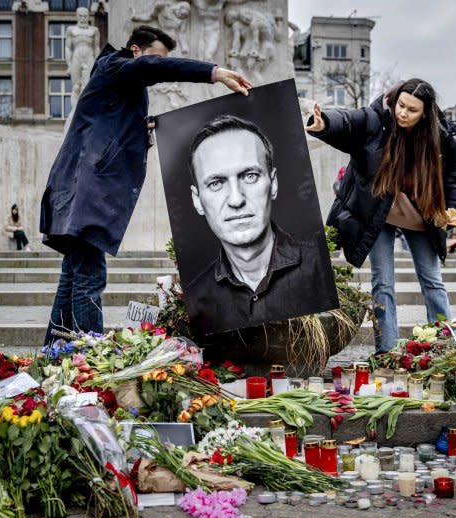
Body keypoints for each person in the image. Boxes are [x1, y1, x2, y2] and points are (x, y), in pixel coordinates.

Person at [40, 25, 251, 345]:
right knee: (90, 277)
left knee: (74, 274)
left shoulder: (119, 85)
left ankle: (55, 351)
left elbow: (114, 128)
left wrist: (150, 130)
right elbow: (152, 67)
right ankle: (89, 355)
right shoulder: (114, 64)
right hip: (87, 190)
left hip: (82, 188)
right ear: (136, 51)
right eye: (156, 56)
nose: (159, 64)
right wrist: (214, 72)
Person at [306, 78, 456, 355]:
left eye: (412, 110)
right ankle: (387, 350)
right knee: (383, 281)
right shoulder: (375, 118)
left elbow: (452, 173)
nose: (403, 113)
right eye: (401, 105)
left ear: (425, 113)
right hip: (378, 213)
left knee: (432, 279)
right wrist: (324, 124)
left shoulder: (439, 136)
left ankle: (444, 345)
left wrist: (454, 207)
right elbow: (347, 121)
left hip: (421, 214)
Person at [183, 115, 338, 334]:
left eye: (250, 176)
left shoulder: (320, 273)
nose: (236, 200)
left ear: (273, 183)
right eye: (216, 183)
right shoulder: (195, 298)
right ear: (198, 201)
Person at [66, 7, 100, 107]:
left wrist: (97, 63)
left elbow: (96, 47)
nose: (83, 18)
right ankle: (74, 111)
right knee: (76, 87)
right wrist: (69, 65)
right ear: (77, 17)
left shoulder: (94, 30)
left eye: (85, 16)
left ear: (88, 17)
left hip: (89, 56)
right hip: (77, 56)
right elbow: (67, 48)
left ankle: (86, 109)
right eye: (80, 16)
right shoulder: (71, 30)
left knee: (88, 86)